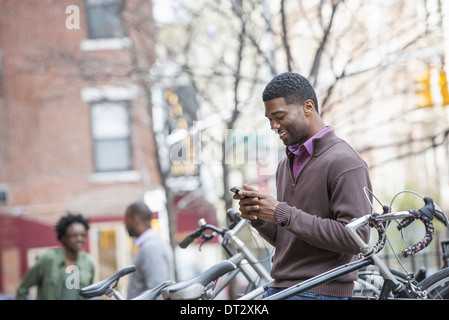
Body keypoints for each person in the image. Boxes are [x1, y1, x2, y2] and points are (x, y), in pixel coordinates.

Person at [234, 72, 372, 300]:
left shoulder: (345, 161)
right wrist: (259, 217)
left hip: (319, 292)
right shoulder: (284, 164)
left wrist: (282, 212)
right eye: (269, 119)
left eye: (279, 116)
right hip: (282, 289)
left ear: (308, 107)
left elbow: (355, 239)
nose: (273, 126)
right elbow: (289, 239)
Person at [16, 213, 95, 300]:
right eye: (73, 235)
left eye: (83, 235)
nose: (79, 239)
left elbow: (89, 294)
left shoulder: (88, 262)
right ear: (63, 237)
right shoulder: (48, 259)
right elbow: (22, 289)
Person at [124, 201, 175, 299]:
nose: (125, 225)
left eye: (126, 220)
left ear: (136, 219)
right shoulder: (155, 244)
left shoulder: (151, 248)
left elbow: (157, 292)